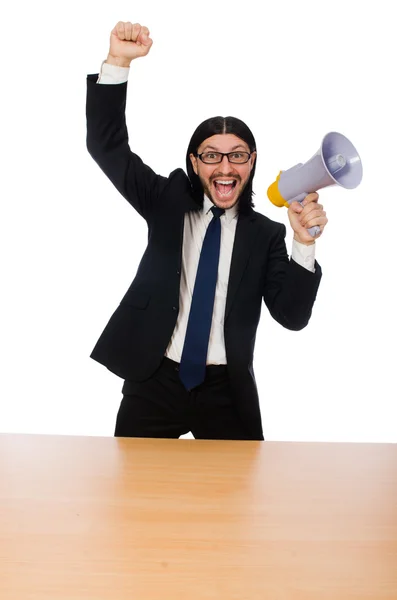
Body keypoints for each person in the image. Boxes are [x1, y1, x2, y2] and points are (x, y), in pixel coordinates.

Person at [86, 21, 327, 441]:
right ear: (195, 163)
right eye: (212, 155)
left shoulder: (265, 235)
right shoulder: (166, 201)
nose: (225, 167)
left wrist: (302, 245)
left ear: (251, 163)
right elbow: (107, 147)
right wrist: (119, 63)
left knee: (236, 503)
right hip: (154, 382)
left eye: (237, 155)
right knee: (132, 496)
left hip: (226, 392)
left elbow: (292, 317)